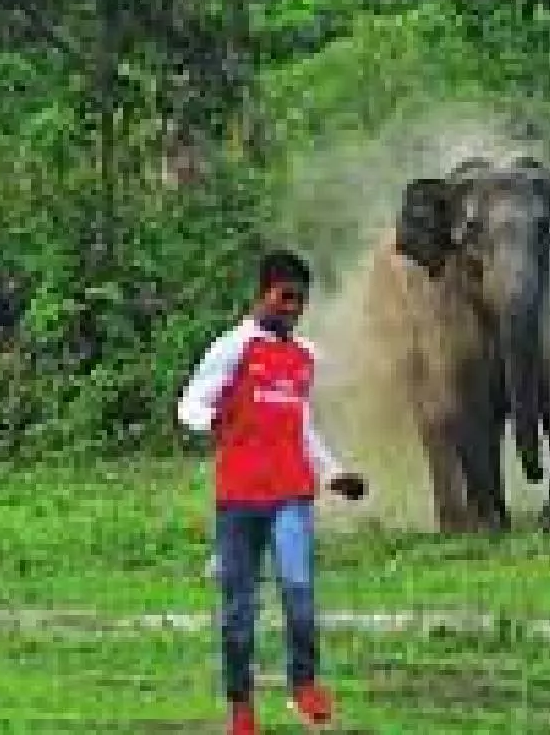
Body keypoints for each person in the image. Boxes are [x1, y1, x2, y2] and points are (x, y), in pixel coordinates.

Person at [177, 248, 369, 735]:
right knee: (239, 611)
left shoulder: (303, 357)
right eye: (285, 298)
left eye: (300, 302)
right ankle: (241, 709)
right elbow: (190, 404)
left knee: (299, 592)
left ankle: (303, 687)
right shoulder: (233, 348)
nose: (292, 309)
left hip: (290, 495)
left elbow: (302, 427)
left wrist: (332, 473)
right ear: (262, 294)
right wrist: (210, 420)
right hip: (239, 498)